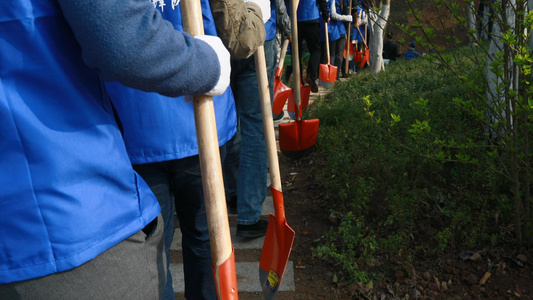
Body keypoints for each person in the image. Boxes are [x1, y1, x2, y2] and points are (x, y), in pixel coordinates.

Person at [0, 0, 231, 299]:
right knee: (188, 246)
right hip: (74, 201)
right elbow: (122, 40)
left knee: (194, 242)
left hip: (53, 195)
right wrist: (209, 63)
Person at [106, 0, 267, 298]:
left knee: (152, 251)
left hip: (135, 123)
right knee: (204, 240)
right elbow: (240, 37)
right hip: (195, 123)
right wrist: (257, 9)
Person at [223, 0, 291, 238]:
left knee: (227, 122)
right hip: (259, 32)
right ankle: (249, 214)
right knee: (255, 127)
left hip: (220, 33)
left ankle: (234, 193)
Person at [293, 0, 330, 92]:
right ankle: (311, 75)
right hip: (311, 18)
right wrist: (326, 15)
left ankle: (299, 80)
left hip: (296, 19)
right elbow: (322, 2)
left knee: (296, 52)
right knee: (315, 50)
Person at [319, 0, 353, 78]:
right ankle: (329, 75)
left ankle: (335, 74)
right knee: (331, 54)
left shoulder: (343, 2)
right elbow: (333, 15)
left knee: (337, 53)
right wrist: (347, 18)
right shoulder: (331, 1)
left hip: (338, 29)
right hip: (331, 29)